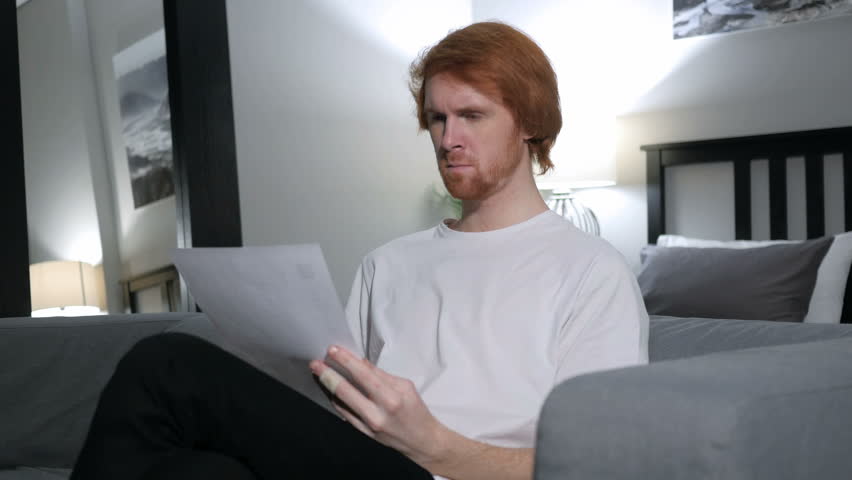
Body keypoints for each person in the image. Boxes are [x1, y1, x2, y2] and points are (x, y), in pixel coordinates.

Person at [70, 21, 648, 480]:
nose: (448, 140)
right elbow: (335, 414)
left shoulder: (591, 272)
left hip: (447, 473)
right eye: (437, 120)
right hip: (366, 461)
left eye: (471, 115)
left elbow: (602, 466)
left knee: (166, 362)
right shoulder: (388, 264)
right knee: (198, 472)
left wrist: (435, 445)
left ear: (529, 122)